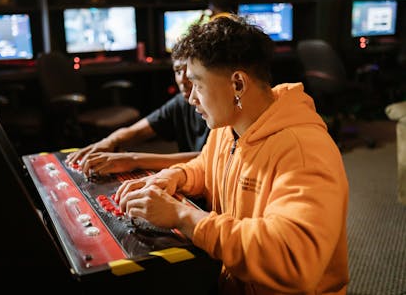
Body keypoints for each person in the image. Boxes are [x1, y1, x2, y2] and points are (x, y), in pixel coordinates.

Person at [115, 15, 349, 295]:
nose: (191, 99)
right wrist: (174, 176)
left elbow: (292, 259)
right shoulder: (228, 128)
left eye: (198, 85)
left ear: (237, 84)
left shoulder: (304, 150)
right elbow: (207, 166)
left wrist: (181, 215)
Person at [65, 56, 210, 176]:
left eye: (190, 73)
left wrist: (133, 159)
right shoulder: (181, 102)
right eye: (178, 71)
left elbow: (209, 160)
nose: (183, 80)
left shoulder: (220, 112)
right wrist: (109, 142)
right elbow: (137, 131)